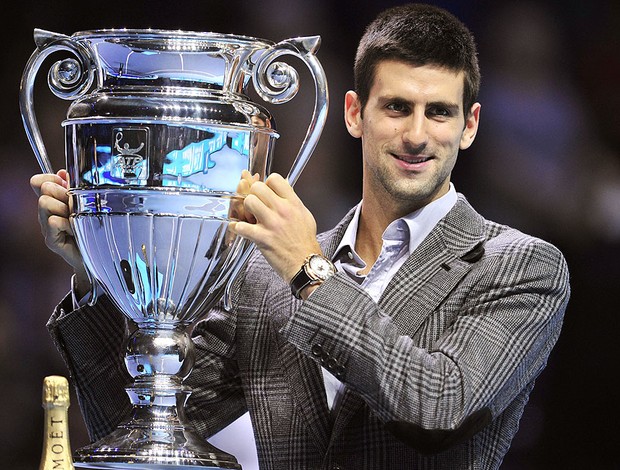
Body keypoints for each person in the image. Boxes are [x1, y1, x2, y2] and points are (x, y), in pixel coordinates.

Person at [30, 4, 570, 469]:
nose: (416, 134)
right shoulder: (264, 278)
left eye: (440, 113)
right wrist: (99, 270)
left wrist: (310, 272)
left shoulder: (520, 266)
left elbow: (438, 407)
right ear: (356, 114)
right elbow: (140, 425)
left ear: (469, 126)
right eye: (397, 107)